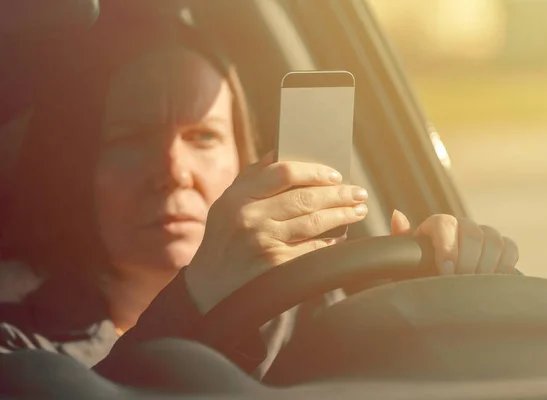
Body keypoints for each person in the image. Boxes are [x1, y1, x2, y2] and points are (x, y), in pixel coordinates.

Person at [0, 0, 519, 387]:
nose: (173, 171)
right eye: (132, 139)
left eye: (203, 137)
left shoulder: (316, 309)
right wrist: (199, 297)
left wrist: (442, 295)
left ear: (243, 159)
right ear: (80, 170)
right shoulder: (15, 336)